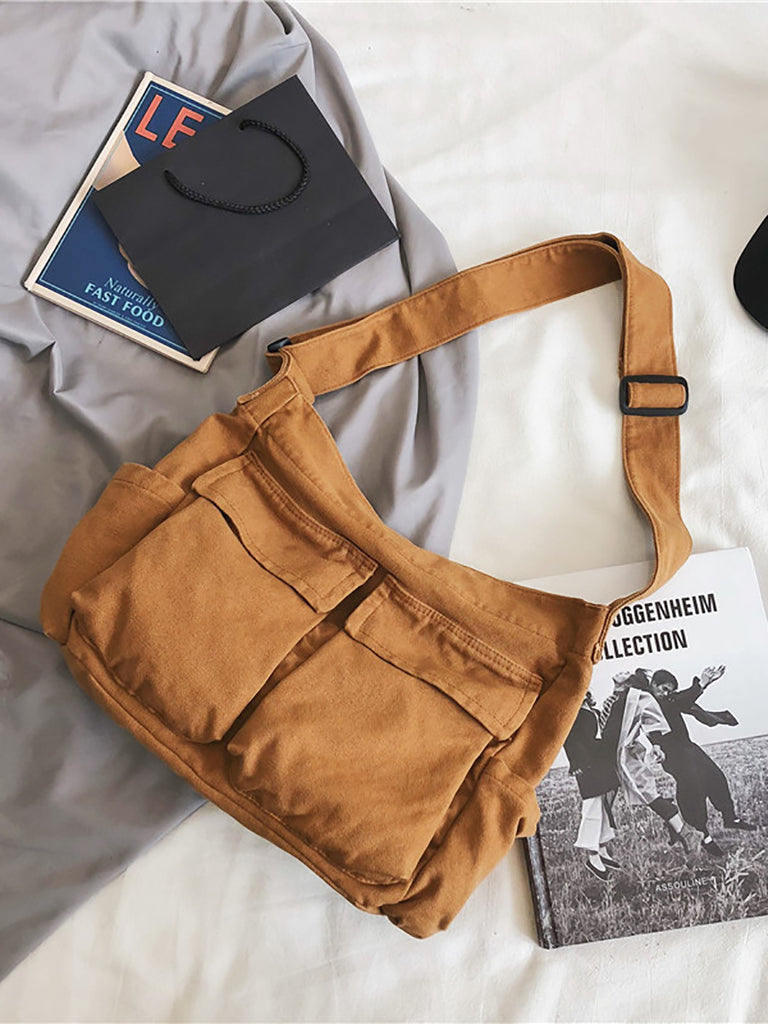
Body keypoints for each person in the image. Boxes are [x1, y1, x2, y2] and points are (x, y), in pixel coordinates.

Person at [649, 666, 756, 858]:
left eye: (670, 691)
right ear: (653, 685)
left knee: (716, 776)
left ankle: (730, 817)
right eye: (664, 689)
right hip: (671, 754)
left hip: (688, 747)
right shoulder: (648, 702)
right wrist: (702, 684)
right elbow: (674, 707)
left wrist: (701, 686)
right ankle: (703, 837)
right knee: (693, 791)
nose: (666, 694)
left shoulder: (669, 700)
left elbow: (681, 699)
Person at [600, 671, 689, 851]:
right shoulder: (616, 697)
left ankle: (685, 833)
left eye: (668, 691)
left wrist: (656, 744)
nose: (622, 671)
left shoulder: (640, 696)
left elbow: (651, 721)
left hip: (622, 754)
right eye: (664, 689)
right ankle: (601, 846)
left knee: (645, 792)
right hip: (604, 755)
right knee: (603, 800)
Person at [563, 693, 620, 880]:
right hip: (585, 764)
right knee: (592, 806)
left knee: (604, 805)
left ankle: (602, 848)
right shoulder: (570, 713)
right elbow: (569, 739)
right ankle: (592, 856)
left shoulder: (593, 710)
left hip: (601, 760)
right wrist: (577, 763)